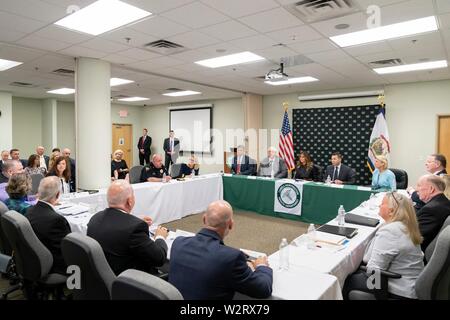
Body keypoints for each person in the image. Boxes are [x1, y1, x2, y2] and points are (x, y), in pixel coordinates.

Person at [169, 200, 273, 300]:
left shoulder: (178, 242)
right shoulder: (232, 258)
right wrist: (261, 266)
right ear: (231, 224)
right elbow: (263, 289)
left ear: (204, 219)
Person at [343, 192, 424, 300]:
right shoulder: (405, 225)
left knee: (347, 280)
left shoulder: (390, 231)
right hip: (410, 284)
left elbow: (373, 268)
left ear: (391, 211)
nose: (379, 206)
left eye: (382, 203)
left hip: (398, 289)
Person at [87, 180, 169, 276]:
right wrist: (160, 236)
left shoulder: (95, 218)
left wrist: (134, 220)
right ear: (130, 201)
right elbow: (159, 258)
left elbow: (117, 224)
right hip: (132, 282)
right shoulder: (135, 229)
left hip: (103, 277)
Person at [26, 176, 71, 275]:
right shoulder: (56, 220)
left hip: (33, 260)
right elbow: (67, 249)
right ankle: (77, 287)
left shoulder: (30, 210)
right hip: (54, 266)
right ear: (58, 194)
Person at [415, 174, 450, 251]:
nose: (416, 189)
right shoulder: (443, 202)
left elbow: (415, 237)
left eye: (419, 185)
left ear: (431, 189)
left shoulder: (430, 210)